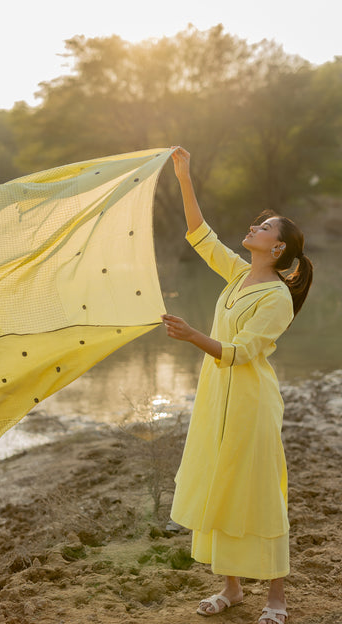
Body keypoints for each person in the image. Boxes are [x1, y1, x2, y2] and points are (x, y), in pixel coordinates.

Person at [162, 147, 313, 624]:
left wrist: (191, 335)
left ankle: (276, 599)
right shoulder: (238, 276)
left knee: (259, 490)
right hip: (214, 398)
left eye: (265, 228)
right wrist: (185, 174)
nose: (255, 228)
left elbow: (240, 352)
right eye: (258, 223)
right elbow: (198, 235)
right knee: (219, 484)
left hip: (251, 402)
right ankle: (231, 589)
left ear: (279, 248)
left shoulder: (278, 299)